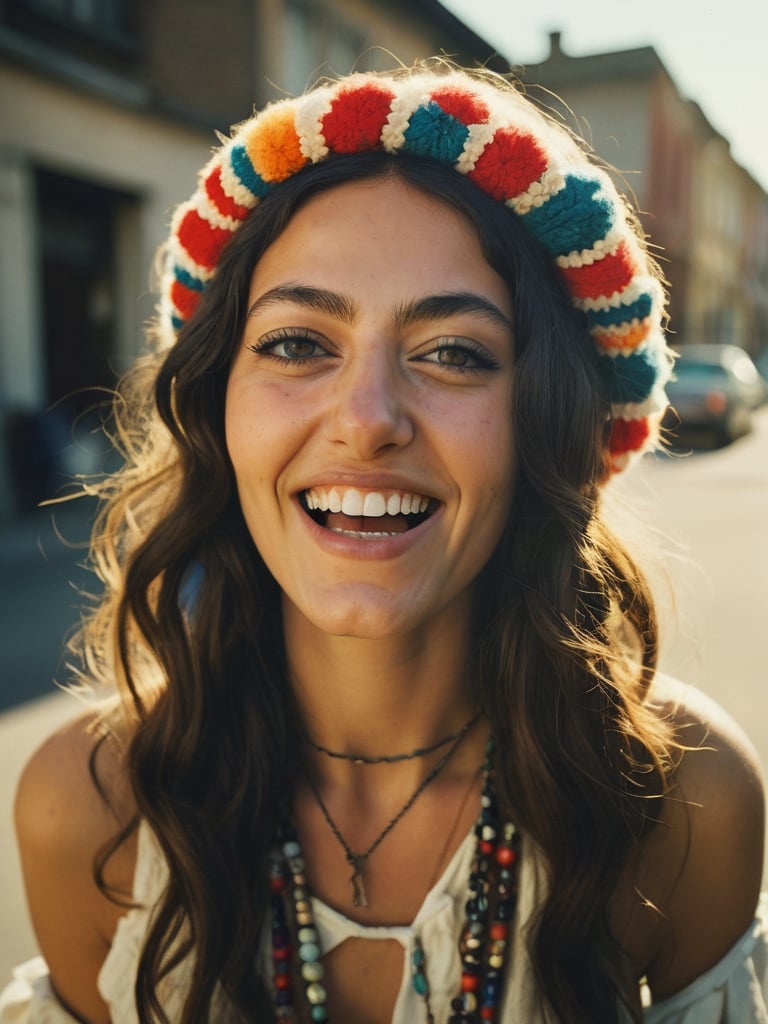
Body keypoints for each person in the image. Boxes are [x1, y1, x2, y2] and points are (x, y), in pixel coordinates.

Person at [1, 61, 765, 1024]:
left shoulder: (682, 803)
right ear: (215, 406)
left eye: (453, 353)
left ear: (550, 422)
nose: (366, 422)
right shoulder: (91, 808)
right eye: (295, 342)